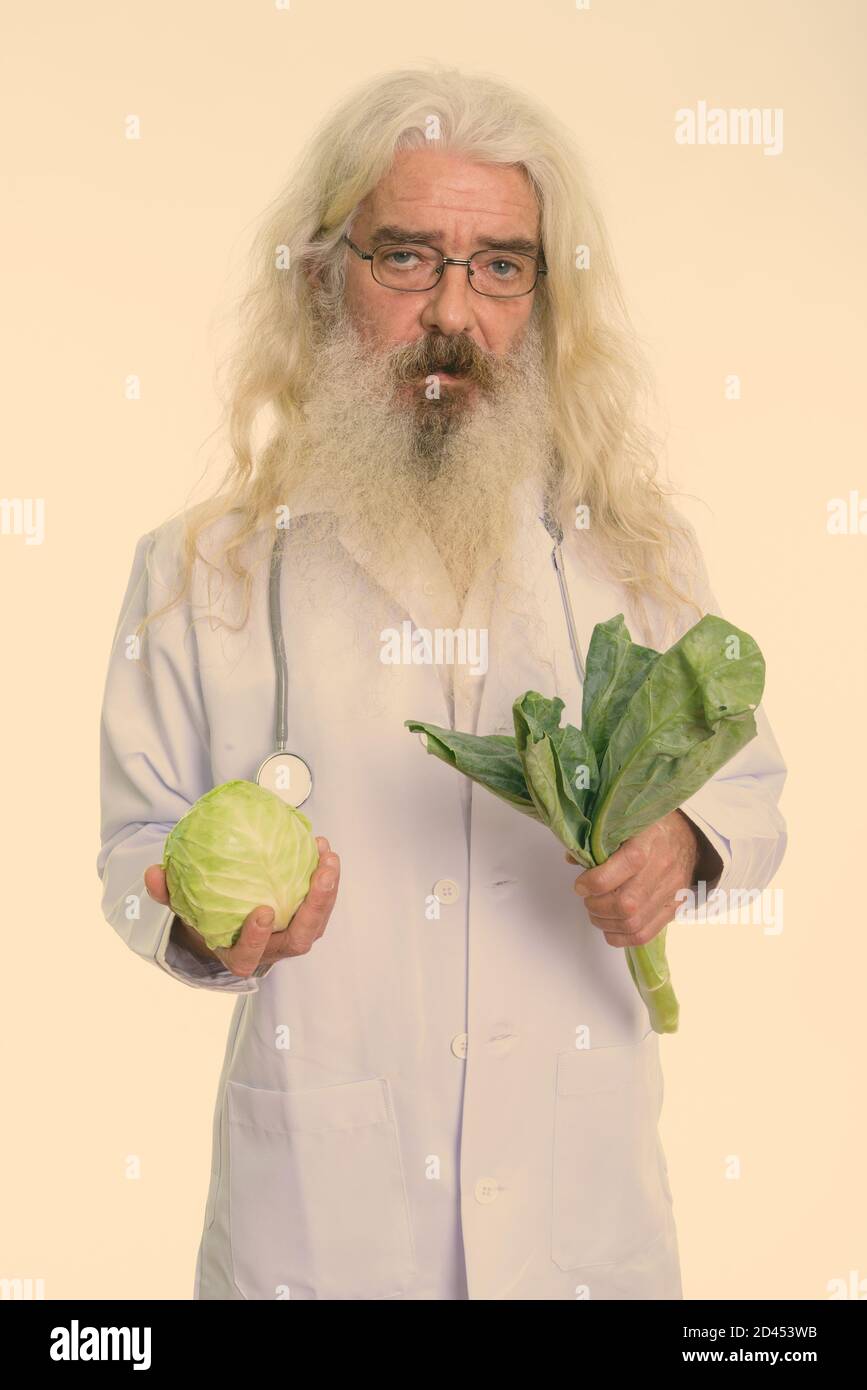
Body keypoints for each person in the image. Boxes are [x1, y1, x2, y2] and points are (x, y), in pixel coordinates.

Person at [96, 65, 787, 1301]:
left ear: (542, 296)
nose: (453, 311)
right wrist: (198, 923)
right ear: (322, 275)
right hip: (319, 1218)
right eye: (406, 257)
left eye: (502, 265)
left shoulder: (631, 546)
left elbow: (754, 786)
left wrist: (687, 839)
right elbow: (134, 840)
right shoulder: (202, 568)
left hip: (582, 1221)